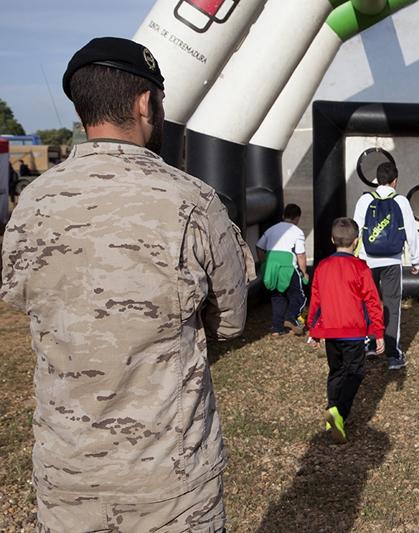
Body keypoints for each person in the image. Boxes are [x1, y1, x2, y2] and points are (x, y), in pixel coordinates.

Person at [0, 37, 255, 532]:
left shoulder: (32, 204)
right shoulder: (194, 201)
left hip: (67, 475)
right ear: (145, 104)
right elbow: (231, 321)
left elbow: (18, 296)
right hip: (171, 483)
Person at [307, 217, 385, 443]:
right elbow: (372, 301)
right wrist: (378, 332)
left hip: (331, 331)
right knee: (356, 372)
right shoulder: (360, 267)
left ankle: (332, 409)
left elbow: (316, 300)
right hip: (353, 332)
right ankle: (338, 410)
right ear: (357, 241)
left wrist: (313, 329)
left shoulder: (322, 266)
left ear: (332, 240)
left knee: (336, 371)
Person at [353, 161, 419, 370]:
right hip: (392, 260)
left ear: (377, 180)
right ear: (395, 181)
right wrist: (415, 260)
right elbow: (411, 232)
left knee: (368, 302)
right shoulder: (401, 201)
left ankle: (371, 343)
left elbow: (356, 230)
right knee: (392, 304)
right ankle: (392, 354)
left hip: (366, 259)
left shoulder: (365, 200)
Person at [256, 203, 309, 336]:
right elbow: (300, 254)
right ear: (297, 218)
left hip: (271, 266)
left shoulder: (271, 229)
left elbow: (259, 246)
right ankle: (290, 317)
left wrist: (265, 263)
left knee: (277, 297)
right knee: (299, 296)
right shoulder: (297, 231)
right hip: (288, 267)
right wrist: (304, 272)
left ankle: (277, 329)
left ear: (283, 215)